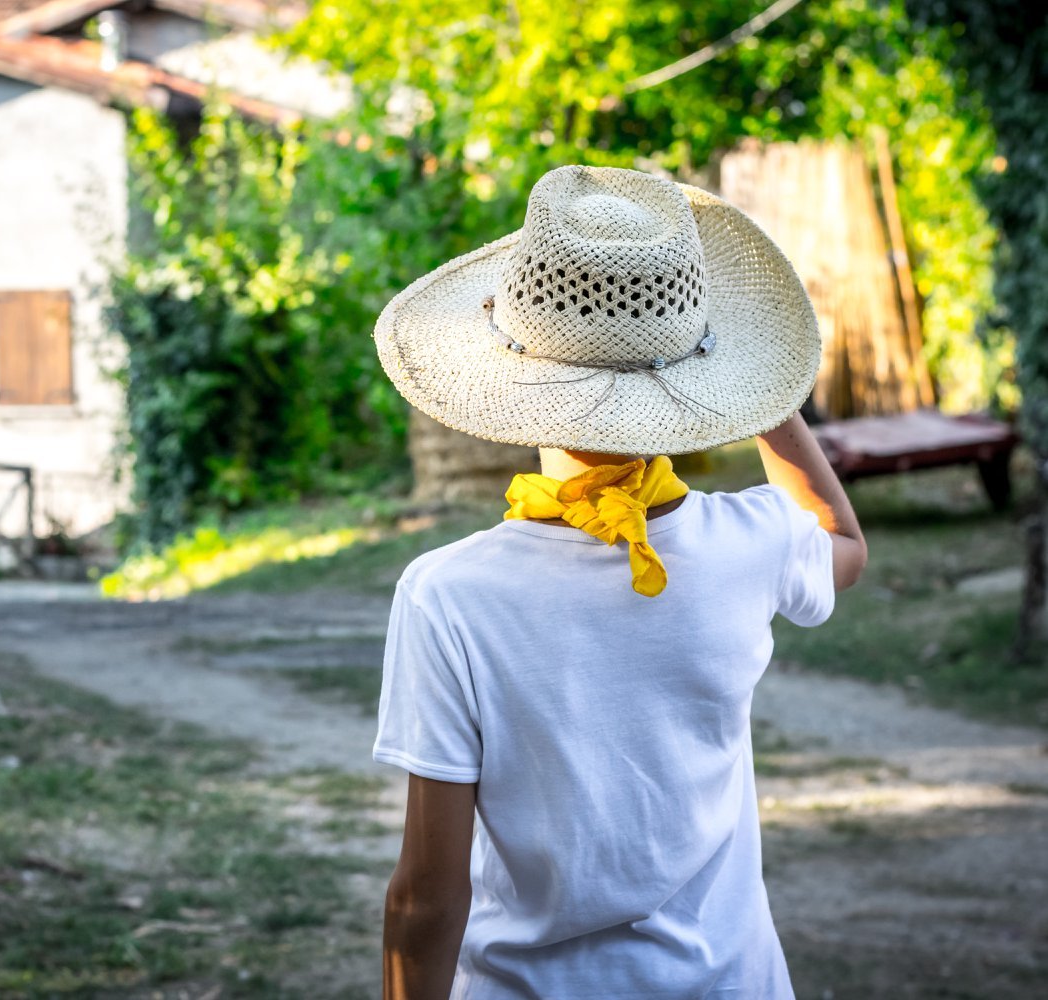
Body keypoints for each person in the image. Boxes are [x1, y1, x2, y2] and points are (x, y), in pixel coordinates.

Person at [370, 165, 867, 999]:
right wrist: (764, 397)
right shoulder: (752, 541)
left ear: (508, 358)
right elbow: (843, 541)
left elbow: (428, 893)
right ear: (699, 365)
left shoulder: (449, 595)